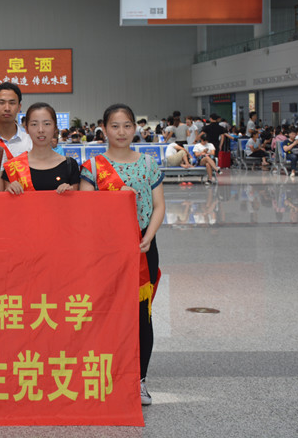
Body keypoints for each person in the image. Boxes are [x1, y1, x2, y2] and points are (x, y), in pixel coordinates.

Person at [79, 103, 165, 406]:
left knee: (142, 315)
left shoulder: (149, 164)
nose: (121, 132)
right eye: (115, 126)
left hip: (143, 246)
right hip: (105, 250)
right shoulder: (92, 167)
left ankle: (139, 379)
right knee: (105, 312)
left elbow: (159, 206)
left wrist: (149, 236)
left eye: (127, 125)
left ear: (135, 128)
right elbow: (86, 212)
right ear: (104, 128)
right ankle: (105, 374)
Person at [1, 102, 79, 194]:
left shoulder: (69, 165)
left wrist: (69, 192)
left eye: (47, 124)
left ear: (55, 128)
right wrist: (9, 192)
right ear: (26, 129)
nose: (41, 130)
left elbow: (77, 200)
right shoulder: (13, 167)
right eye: (34, 124)